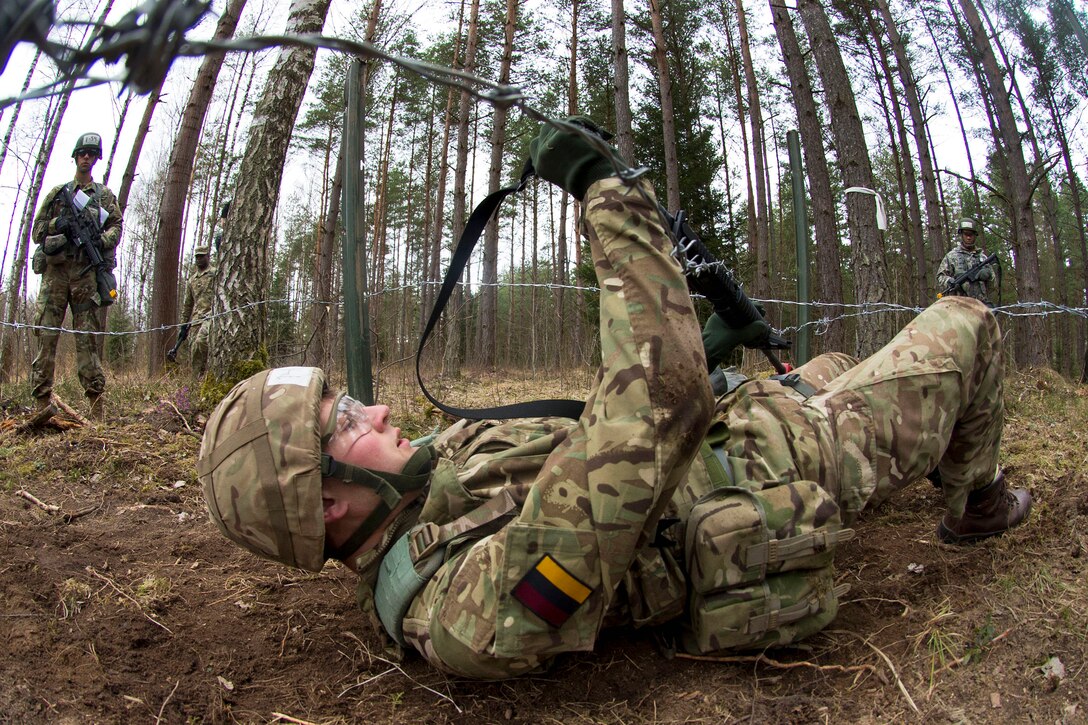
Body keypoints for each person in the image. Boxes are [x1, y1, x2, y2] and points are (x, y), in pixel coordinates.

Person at [198, 119, 1031, 679]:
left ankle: (891, 429)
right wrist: (610, 197)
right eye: (346, 423)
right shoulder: (464, 610)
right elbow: (650, 419)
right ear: (331, 504)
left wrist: (706, 349)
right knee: (967, 320)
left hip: (740, 424)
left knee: (838, 354)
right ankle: (975, 503)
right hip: (781, 462)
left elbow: (603, 429)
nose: (375, 412)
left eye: (353, 400)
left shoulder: (428, 484)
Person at [29, 131, 123, 421]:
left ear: (96, 159)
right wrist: (62, 223)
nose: (86, 157)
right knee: (46, 337)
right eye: (82, 153)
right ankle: (41, 407)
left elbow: (117, 228)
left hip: (86, 278)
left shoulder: (105, 196)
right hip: (56, 277)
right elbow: (37, 231)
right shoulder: (58, 194)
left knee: (88, 342)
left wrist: (101, 241)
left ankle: (96, 413)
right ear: (75, 156)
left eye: (92, 154)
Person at [168, 245, 216, 375]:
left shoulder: (215, 273)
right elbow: (188, 304)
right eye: (197, 257)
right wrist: (183, 325)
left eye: (202, 256)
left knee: (202, 342)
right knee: (195, 352)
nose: (199, 259)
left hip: (212, 316)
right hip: (195, 321)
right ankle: (196, 383)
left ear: (208, 256)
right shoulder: (192, 280)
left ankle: (211, 374)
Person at [936, 218, 996, 303]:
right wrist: (949, 281)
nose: (968, 237)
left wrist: (988, 276)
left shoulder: (983, 258)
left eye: (971, 234)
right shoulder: (951, 257)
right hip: (958, 306)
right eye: (966, 234)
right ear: (961, 235)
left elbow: (993, 287)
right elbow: (940, 277)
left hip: (980, 305)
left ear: (975, 235)